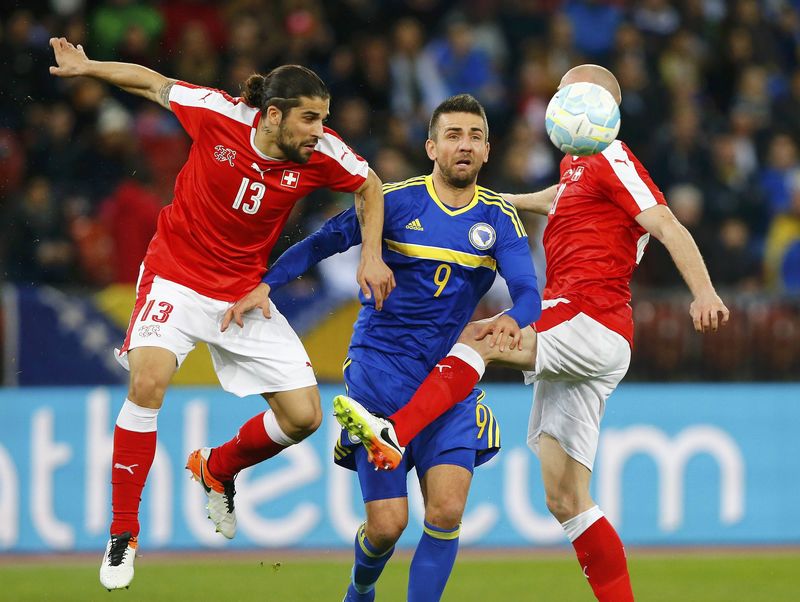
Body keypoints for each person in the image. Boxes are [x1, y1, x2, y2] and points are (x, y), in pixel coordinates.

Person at [338, 65, 731, 602]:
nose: (562, 104)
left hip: (587, 316)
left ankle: (394, 433)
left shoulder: (612, 155)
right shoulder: (578, 165)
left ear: (600, 107)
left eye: (573, 96)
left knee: (479, 336)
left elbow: (665, 222)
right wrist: (500, 201)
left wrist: (703, 291)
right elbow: (555, 198)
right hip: (588, 337)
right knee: (566, 498)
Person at [48, 37, 395, 591]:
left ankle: (218, 468)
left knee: (304, 416)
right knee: (148, 381)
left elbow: (371, 186)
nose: (319, 130)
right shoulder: (218, 116)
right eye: (309, 118)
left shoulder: (324, 154)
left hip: (241, 294)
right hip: (176, 276)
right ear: (273, 114)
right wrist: (88, 67)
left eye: (324, 118)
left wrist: (371, 255)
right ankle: (123, 532)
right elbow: (150, 82)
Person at [263, 94, 541, 601]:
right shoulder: (393, 200)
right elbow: (322, 242)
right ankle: (360, 590)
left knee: (447, 512)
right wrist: (266, 284)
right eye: (453, 135)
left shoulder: (499, 218)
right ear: (431, 146)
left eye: (475, 136)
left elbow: (529, 293)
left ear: (487, 151)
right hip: (379, 375)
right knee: (388, 526)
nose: (465, 145)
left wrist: (509, 321)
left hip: (448, 381)